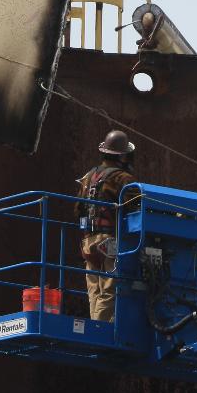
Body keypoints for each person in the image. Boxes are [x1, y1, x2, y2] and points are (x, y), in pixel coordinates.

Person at [75, 129, 137, 322]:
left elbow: (77, 209)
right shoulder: (123, 179)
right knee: (109, 290)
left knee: (94, 289)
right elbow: (136, 206)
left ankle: (94, 325)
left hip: (88, 241)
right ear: (123, 156)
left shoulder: (88, 177)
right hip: (108, 241)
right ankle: (100, 328)